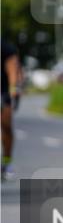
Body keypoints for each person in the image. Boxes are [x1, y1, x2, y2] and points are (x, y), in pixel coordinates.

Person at [1, 37, 22, 181]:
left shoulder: (4, 47)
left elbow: (13, 68)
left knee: (6, 125)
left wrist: (14, 88)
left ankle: (7, 162)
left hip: (2, 90)